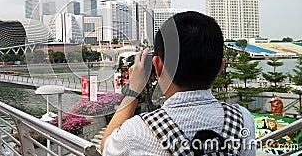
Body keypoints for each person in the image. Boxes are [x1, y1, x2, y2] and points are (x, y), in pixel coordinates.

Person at [101, 11, 255, 155]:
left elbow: (106, 148)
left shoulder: (136, 132)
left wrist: (132, 92)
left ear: (158, 66)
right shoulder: (243, 119)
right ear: (220, 68)